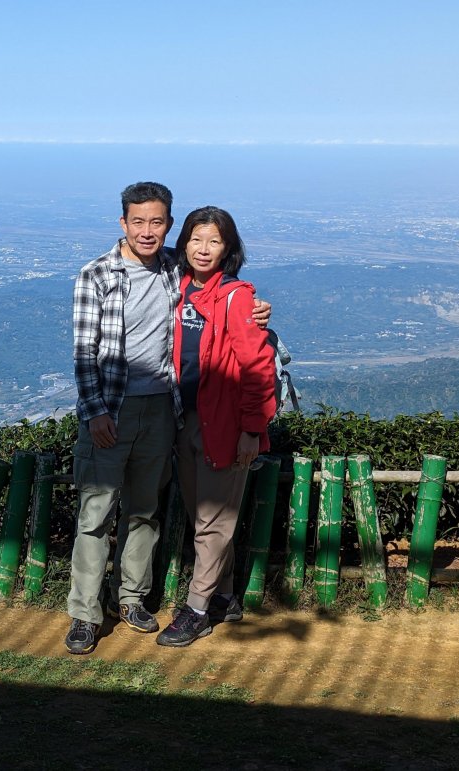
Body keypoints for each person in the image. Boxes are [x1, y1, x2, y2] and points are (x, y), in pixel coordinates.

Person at [65, 184, 270, 655]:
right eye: (138, 221)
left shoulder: (173, 268)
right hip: (111, 408)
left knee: (144, 512)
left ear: (168, 225)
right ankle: (84, 614)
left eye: (157, 222)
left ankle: (133, 600)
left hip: (163, 408)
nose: (147, 230)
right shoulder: (97, 274)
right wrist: (95, 411)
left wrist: (255, 310)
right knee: (96, 515)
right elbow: (83, 353)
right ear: (123, 223)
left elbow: (227, 300)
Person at [155, 205, 276, 648]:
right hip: (185, 419)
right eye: (196, 239)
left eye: (215, 241)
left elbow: (258, 366)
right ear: (183, 243)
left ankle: (197, 611)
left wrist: (251, 429)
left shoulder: (235, 296)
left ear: (228, 249)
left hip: (225, 426)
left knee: (213, 522)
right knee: (200, 516)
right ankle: (224, 596)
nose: (204, 249)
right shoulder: (180, 285)